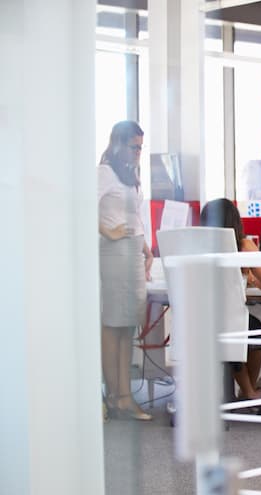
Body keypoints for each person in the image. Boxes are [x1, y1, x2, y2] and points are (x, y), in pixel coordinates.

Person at [199, 198, 261, 401]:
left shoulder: (197, 246)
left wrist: (245, 279)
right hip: (232, 320)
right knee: (258, 324)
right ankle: (249, 392)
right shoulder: (244, 246)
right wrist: (255, 281)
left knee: (241, 328)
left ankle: (247, 391)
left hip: (201, 320)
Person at [98, 120, 154, 421]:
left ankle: (124, 394)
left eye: (141, 147)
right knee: (113, 323)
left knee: (127, 325)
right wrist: (107, 232)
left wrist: (146, 248)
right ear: (119, 144)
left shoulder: (130, 175)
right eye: (134, 147)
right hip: (114, 252)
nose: (138, 153)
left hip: (133, 251)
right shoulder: (104, 172)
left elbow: (136, 216)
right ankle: (116, 394)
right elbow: (80, 206)